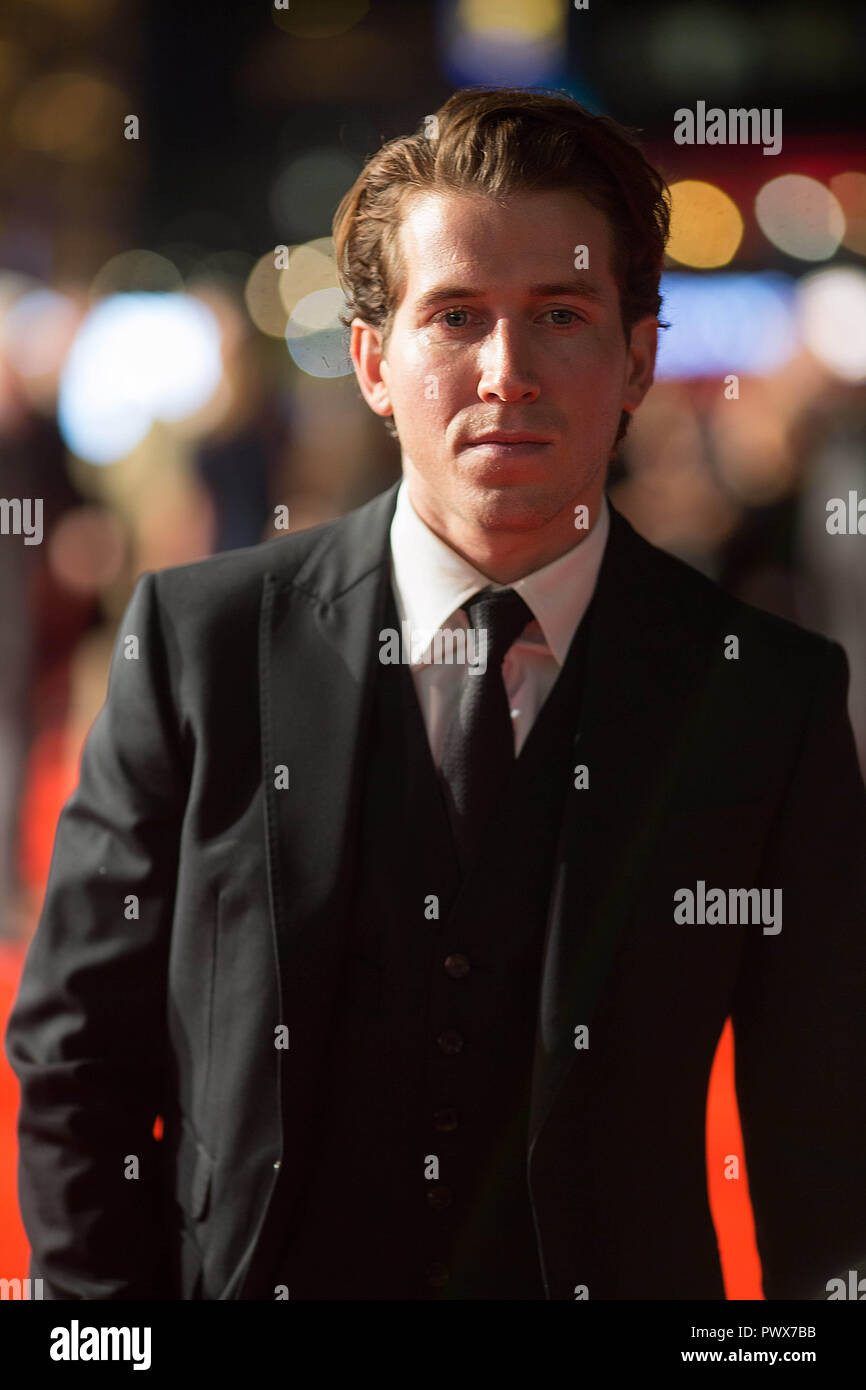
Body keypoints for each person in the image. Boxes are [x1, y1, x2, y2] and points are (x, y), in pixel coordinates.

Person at [6, 87, 866, 1302]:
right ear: (372, 358)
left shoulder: (764, 697)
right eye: (455, 315)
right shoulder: (200, 645)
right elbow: (81, 1055)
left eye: (558, 315)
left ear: (637, 356)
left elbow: (822, 1127)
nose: (505, 370)